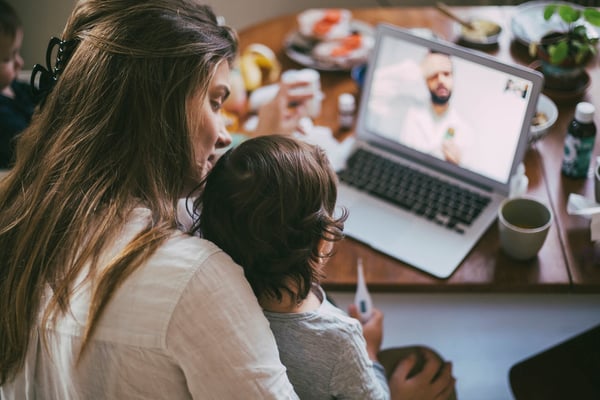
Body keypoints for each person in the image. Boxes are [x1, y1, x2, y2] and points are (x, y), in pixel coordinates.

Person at [0, 1, 305, 398]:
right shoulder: (196, 281)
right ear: (162, 108)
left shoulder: (17, 211)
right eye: (214, 102)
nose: (225, 135)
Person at [194, 135, 456, 400]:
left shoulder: (220, 306)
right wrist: (371, 351)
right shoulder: (340, 341)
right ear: (322, 244)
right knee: (428, 363)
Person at [400, 51, 473, 165]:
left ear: (453, 78)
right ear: (425, 79)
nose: (440, 80)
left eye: (446, 74)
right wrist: (418, 71)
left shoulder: (465, 130)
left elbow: (470, 177)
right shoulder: (409, 110)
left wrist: (459, 165)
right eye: (434, 74)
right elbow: (377, 90)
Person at [0, 0, 37, 169]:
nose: (19, 62)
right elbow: (26, 142)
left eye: (18, 52)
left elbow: (37, 93)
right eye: (8, 58)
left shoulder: (13, 86)